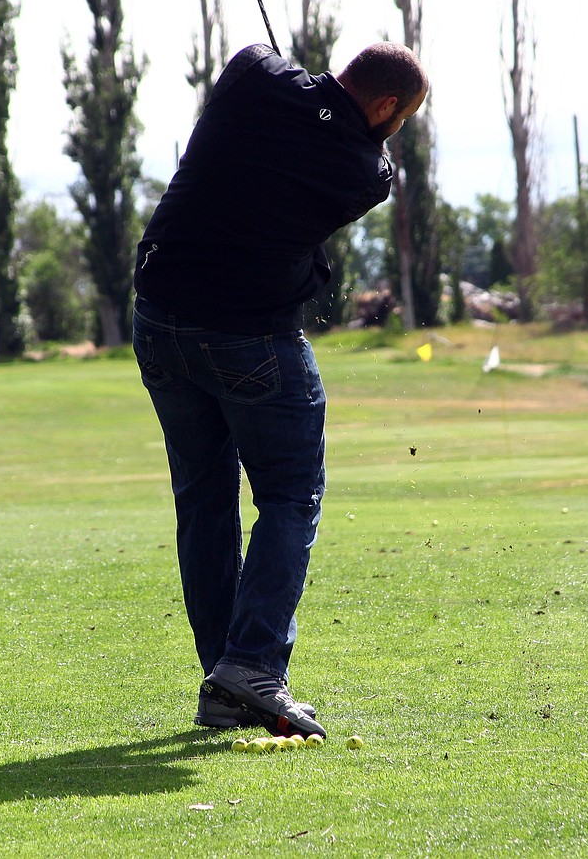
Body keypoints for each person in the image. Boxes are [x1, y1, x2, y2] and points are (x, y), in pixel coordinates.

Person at [132, 41, 428, 738]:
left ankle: (227, 678)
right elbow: (363, 153)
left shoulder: (252, 79)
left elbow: (265, 60)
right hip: (251, 337)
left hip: (159, 322)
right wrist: (331, 114)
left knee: (204, 499)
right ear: (384, 108)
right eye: (401, 119)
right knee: (291, 496)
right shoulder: (364, 172)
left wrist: (312, 94)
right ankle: (253, 668)